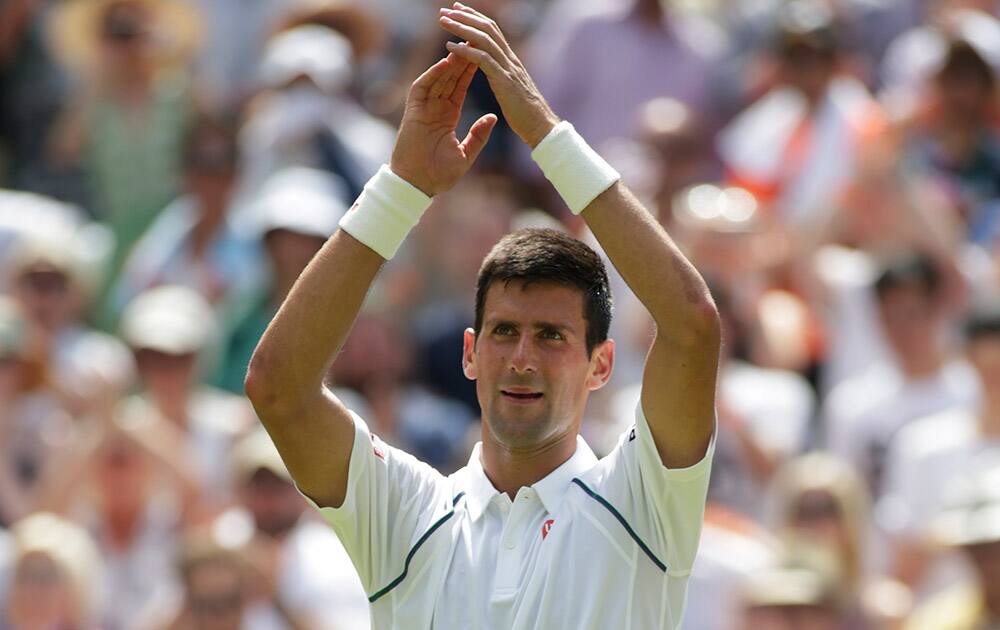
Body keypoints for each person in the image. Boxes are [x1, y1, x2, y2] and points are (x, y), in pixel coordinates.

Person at [245, 4, 719, 629]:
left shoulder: (641, 502)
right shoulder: (409, 512)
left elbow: (690, 324)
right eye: (504, 332)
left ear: (601, 364)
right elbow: (278, 389)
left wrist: (547, 135)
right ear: (470, 352)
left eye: (552, 336)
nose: (522, 357)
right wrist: (402, 186)